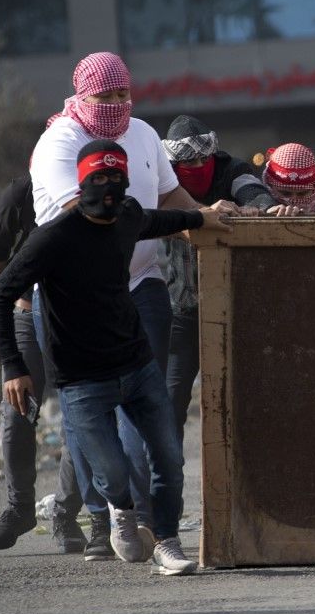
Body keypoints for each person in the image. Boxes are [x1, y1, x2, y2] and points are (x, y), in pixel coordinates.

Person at [0, 141, 228, 575]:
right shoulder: (53, 238)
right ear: (81, 183)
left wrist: (203, 216)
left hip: (135, 365)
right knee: (113, 475)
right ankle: (119, 510)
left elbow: (162, 219)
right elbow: (2, 294)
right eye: (98, 178)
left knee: (168, 457)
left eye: (117, 176)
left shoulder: (128, 217)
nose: (109, 186)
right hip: (81, 380)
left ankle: (167, 541)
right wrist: (13, 366)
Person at [31, 52, 210, 556]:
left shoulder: (146, 134)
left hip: (141, 286)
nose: (115, 105)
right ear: (81, 96)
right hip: (73, 301)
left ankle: (147, 520)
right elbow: (88, 215)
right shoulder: (59, 143)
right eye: (104, 97)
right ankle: (99, 518)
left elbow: (172, 196)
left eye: (122, 95)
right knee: (88, 415)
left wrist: (206, 217)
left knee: (146, 405)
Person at [0, 173, 86, 553]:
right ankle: (19, 508)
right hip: (25, 311)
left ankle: (66, 515)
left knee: (80, 419)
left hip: (78, 320)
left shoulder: (99, 186)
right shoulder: (24, 189)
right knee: (16, 414)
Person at [161, 116, 275, 437]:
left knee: (246, 398)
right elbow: (156, 213)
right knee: (170, 404)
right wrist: (203, 214)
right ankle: (166, 483)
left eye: (203, 159)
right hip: (183, 308)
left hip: (235, 307)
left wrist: (259, 210)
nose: (198, 165)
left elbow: (255, 194)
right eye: (188, 161)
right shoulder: (164, 181)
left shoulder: (231, 169)